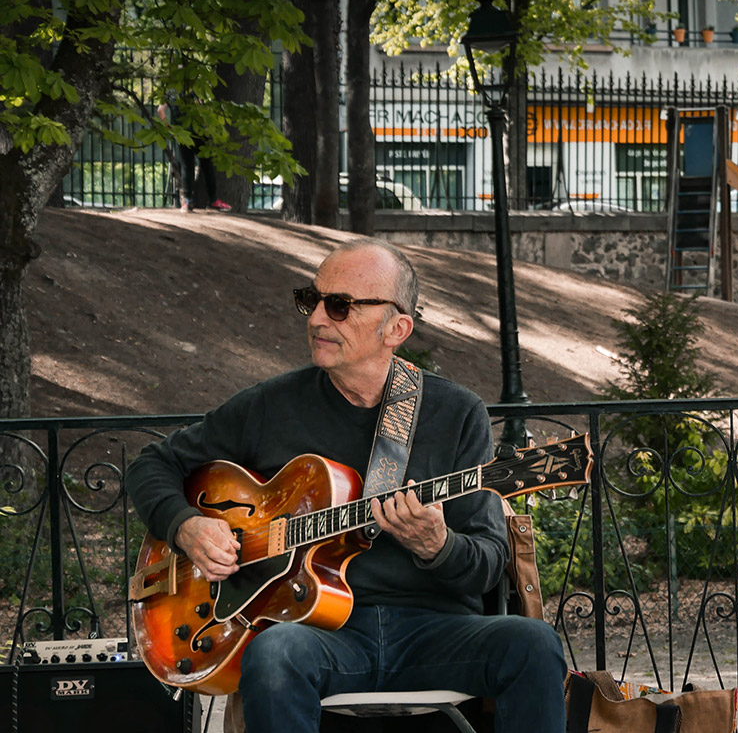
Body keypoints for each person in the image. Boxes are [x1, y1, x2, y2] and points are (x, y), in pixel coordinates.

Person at [126, 237, 567, 733]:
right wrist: (186, 527)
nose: (316, 318)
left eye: (339, 306)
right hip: (319, 633)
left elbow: (486, 566)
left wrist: (437, 546)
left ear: (396, 328)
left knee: (533, 645)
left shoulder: (456, 414)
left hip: (433, 632)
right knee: (275, 653)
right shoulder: (270, 406)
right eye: (310, 300)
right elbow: (152, 464)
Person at [157, 98, 232, 213]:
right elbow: (204, 108)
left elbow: (160, 110)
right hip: (200, 133)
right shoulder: (195, 88)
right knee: (206, 166)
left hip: (182, 134)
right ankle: (213, 200)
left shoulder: (171, 91)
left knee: (188, 166)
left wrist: (170, 128)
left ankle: (187, 202)